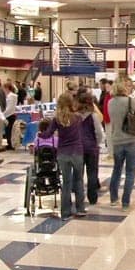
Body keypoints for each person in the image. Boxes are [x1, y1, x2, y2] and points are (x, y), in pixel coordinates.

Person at [39, 93, 86, 221]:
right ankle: (80, 208)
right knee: (79, 181)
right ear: (71, 103)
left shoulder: (57, 119)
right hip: (77, 152)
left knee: (66, 183)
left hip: (63, 153)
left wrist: (40, 135)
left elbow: (48, 134)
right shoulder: (78, 118)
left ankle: (66, 212)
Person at [108, 81, 135, 211]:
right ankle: (125, 202)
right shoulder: (130, 101)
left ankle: (113, 199)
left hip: (117, 140)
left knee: (116, 169)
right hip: (132, 139)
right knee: (130, 172)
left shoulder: (110, 102)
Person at [76, 90, 104, 205]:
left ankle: (79, 197)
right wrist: (96, 143)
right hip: (91, 147)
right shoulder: (93, 116)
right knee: (92, 173)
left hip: (77, 147)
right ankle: (92, 198)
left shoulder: (74, 116)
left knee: (78, 173)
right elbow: (99, 133)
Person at [2, 82, 18, 150]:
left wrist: (3, 114)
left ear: (7, 88)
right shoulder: (9, 96)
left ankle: (11, 144)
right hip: (8, 115)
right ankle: (9, 144)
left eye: (4, 88)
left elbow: (10, 108)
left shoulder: (12, 96)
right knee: (8, 131)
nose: (3, 90)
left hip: (10, 116)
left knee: (9, 131)